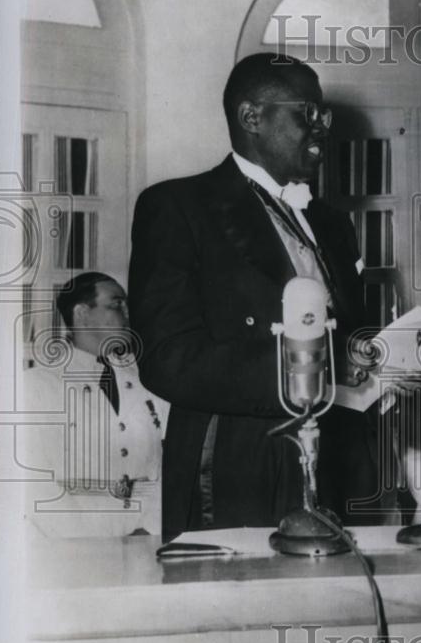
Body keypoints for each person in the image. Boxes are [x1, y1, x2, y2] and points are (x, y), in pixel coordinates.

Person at [128, 53, 378, 540]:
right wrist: (312, 366)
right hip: (231, 463)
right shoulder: (177, 207)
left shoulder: (332, 223)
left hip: (335, 462)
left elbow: (342, 333)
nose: (322, 127)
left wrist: (371, 356)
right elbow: (167, 359)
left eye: (324, 115)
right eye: (307, 113)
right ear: (251, 118)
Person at [22, 272, 168, 534]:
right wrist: (84, 537)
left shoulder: (149, 381)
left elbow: (167, 465)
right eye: (116, 304)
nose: (127, 314)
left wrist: (151, 526)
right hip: (73, 544)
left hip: (146, 538)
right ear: (81, 313)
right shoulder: (38, 386)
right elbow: (33, 482)